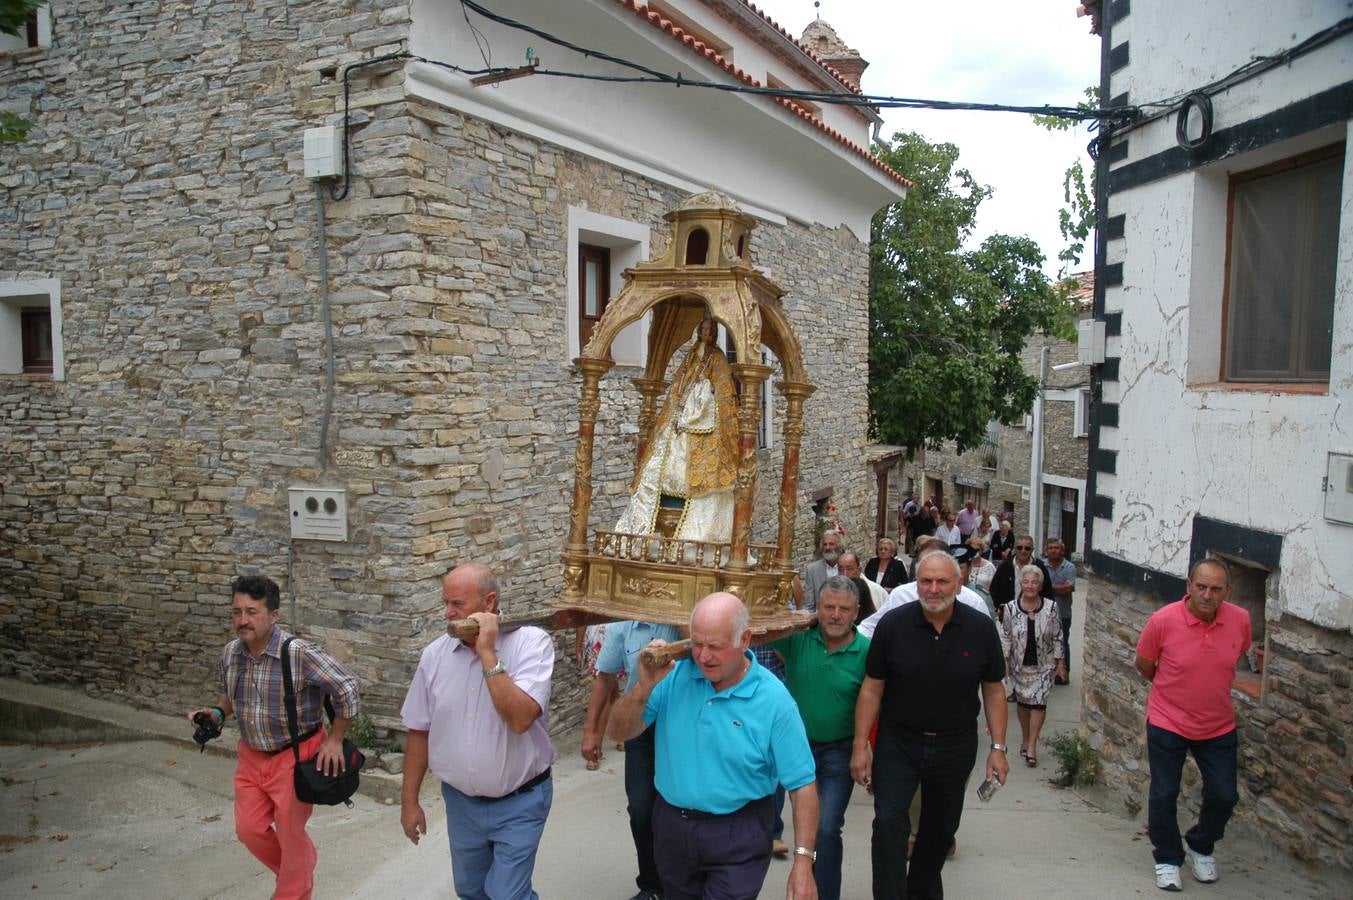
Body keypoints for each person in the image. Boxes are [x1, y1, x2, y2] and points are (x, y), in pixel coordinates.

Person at [609, 593, 820, 900]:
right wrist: (643, 687)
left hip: (739, 834)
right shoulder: (672, 676)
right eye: (697, 644)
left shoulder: (775, 702)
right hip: (672, 830)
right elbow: (618, 730)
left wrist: (803, 863)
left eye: (716, 647)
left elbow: (803, 786)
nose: (704, 656)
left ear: (745, 639)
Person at [187, 575, 361, 900]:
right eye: (237, 612)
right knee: (249, 830)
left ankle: (292, 886)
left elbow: (347, 686)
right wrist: (218, 713)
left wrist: (335, 739)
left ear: (274, 614)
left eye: (252, 612)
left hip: (295, 756)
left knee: (291, 837)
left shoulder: (297, 653)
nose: (242, 620)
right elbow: (229, 697)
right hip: (251, 757)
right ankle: (298, 870)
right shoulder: (231, 654)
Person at [851, 551, 1009, 900]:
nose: (933, 589)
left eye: (942, 581)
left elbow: (995, 691)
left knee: (939, 831)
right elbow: (872, 687)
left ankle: (921, 889)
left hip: (955, 745)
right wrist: (861, 745)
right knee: (890, 822)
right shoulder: (893, 625)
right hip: (899, 742)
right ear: (916, 583)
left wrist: (998, 748)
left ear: (959, 583)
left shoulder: (980, 627)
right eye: (926, 581)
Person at [399, 564, 556, 900]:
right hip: (461, 805)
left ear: (489, 602)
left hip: (521, 801)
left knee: (507, 895)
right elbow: (419, 731)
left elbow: (519, 719)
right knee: (470, 891)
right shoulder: (435, 655)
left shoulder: (532, 643)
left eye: (457, 604)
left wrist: (487, 652)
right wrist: (409, 802)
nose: (448, 613)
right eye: (446, 603)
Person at [1134, 559, 1251, 892]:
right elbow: (1144, 663)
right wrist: (1172, 691)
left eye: (1216, 589)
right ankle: (1168, 858)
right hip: (1168, 720)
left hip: (1218, 726)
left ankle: (1200, 844)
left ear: (1227, 592)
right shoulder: (1163, 621)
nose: (1207, 595)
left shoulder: (1240, 620)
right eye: (1201, 586)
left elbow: (1235, 654)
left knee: (1225, 796)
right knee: (1165, 793)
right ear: (1189, 586)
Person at [770, 577, 870, 900]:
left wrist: (864, 748)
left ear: (856, 612)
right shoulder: (798, 639)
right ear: (818, 609)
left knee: (826, 828)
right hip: (793, 749)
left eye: (844, 609)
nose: (836, 615)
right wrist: (799, 615)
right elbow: (764, 620)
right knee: (777, 825)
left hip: (838, 751)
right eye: (828, 607)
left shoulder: (866, 651)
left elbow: (876, 701)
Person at [581, 620, 682, 900]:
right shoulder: (624, 626)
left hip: (684, 725)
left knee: (681, 807)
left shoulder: (687, 616)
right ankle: (651, 885)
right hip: (640, 725)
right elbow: (605, 677)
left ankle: (682, 882)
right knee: (640, 808)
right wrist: (592, 732)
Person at [614, 315, 738, 544]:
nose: (706, 332)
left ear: (715, 333)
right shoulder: (690, 354)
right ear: (699, 330)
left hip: (702, 419)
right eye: (703, 328)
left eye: (710, 329)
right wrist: (678, 404)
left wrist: (703, 391)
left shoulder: (718, 358)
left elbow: (723, 390)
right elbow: (679, 382)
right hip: (679, 417)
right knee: (659, 463)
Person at [998, 565, 1065, 767]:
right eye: (1026, 581)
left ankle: (1032, 745)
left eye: (1034, 582)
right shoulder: (1010, 608)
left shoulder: (1051, 607)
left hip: (1044, 664)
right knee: (1024, 703)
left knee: (1039, 702)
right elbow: (1006, 636)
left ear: (1040, 585)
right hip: (1019, 664)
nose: (1030, 586)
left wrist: (1060, 663)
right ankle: (1026, 737)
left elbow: (1058, 636)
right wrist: (1004, 661)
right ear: (1021, 583)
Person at [860, 538, 993, 639]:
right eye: (924, 563)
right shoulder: (901, 595)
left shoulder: (973, 602)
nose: (933, 589)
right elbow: (870, 627)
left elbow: (988, 644)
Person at [989, 535, 1053, 617]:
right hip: (1009, 614)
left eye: (1027, 548)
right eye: (1019, 548)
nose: (1023, 551)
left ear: (1032, 550)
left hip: (1034, 614)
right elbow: (994, 590)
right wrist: (999, 608)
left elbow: (1047, 591)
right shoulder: (1005, 566)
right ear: (1015, 549)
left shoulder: (1039, 566)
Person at [1043, 538, 1077, 684]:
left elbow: (1069, 588)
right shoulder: (1042, 565)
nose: (1053, 550)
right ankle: (1046, 671)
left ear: (1062, 550)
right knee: (1045, 642)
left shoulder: (1069, 567)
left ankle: (1063, 673)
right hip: (1044, 612)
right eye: (1050, 548)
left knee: (1062, 642)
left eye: (1056, 548)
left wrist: (1047, 587)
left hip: (1063, 612)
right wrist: (1059, 588)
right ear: (1047, 550)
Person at [802, 530, 843, 613]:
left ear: (839, 546)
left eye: (831, 544)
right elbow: (809, 605)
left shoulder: (846, 567)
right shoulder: (812, 570)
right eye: (825, 544)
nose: (827, 548)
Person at [838, 550, 882, 624]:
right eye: (840, 570)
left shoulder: (877, 591)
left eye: (849, 569)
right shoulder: (833, 590)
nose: (844, 574)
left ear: (859, 569)